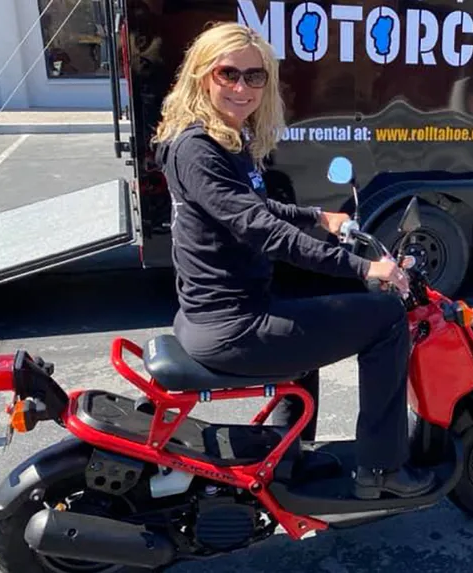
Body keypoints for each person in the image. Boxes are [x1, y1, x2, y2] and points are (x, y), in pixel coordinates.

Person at [151, 21, 434, 500]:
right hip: (232, 326)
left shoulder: (221, 140)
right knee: (386, 316)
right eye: (228, 74)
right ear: (202, 76)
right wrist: (365, 269)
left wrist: (318, 216)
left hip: (221, 313)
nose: (242, 87)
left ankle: (288, 456)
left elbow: (249, 207)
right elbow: (259, 228)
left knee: (314, 305)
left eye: (255, 77)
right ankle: (383, 471)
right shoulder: (199, 148)